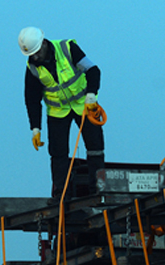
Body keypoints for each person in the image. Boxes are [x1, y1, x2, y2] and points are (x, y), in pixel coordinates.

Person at [19, 26, 105, 202]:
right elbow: (32, 100)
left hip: (84, 106)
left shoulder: (67, 49)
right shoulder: (33, 69)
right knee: (58, 153)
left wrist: (91, 95)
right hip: (58, 113)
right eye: (31, 55)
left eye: (36, 52)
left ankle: (97, 189)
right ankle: (61, 193)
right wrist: (35, 128)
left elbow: (93, 70)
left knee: (95, 147)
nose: (35, 57)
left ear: (43, 43)